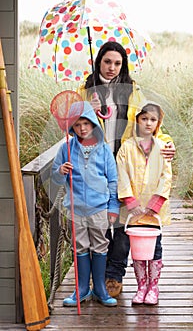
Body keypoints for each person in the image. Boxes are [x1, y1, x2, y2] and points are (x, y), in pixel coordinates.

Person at [77, 41, 176, 297]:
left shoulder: (132, 91)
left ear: (123, 65)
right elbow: (72, 127)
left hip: (124, 165)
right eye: (107, 62)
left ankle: (113, 275)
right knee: (98, 224)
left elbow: (149, 125)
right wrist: (90, 111)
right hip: (95, 166)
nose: (112, 68)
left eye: (117, 63)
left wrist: (166, 144)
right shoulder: (85, 91)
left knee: (121, 224)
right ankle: (93, 277)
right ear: (99, 61)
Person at [51, 101, 120, 307]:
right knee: (80, 245)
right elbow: (55, 178)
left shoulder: (104, 149)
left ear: (94, 124)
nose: (82, 128)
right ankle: (82, 289)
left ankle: (99, 287)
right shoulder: (66, 148)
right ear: (71, 127)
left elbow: (112, 179)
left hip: (99, 207)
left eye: (86, 123)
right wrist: (60, 171)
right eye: (77, 124)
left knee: (100, 245)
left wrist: (113, 205)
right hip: (76, 207)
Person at [116, 101, 172, 305]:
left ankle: (153, 287)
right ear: (137, 120)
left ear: (158, 123)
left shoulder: (162, 147)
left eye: (153, 120)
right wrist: (130, 200)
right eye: (144, 118)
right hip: (134, 210)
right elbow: (121, 174)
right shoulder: (127, 148)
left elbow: (166, 176)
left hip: (153, 210)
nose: (148, 123)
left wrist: (155, 203)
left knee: (154, 247)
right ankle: (141, 287)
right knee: (138, 249)